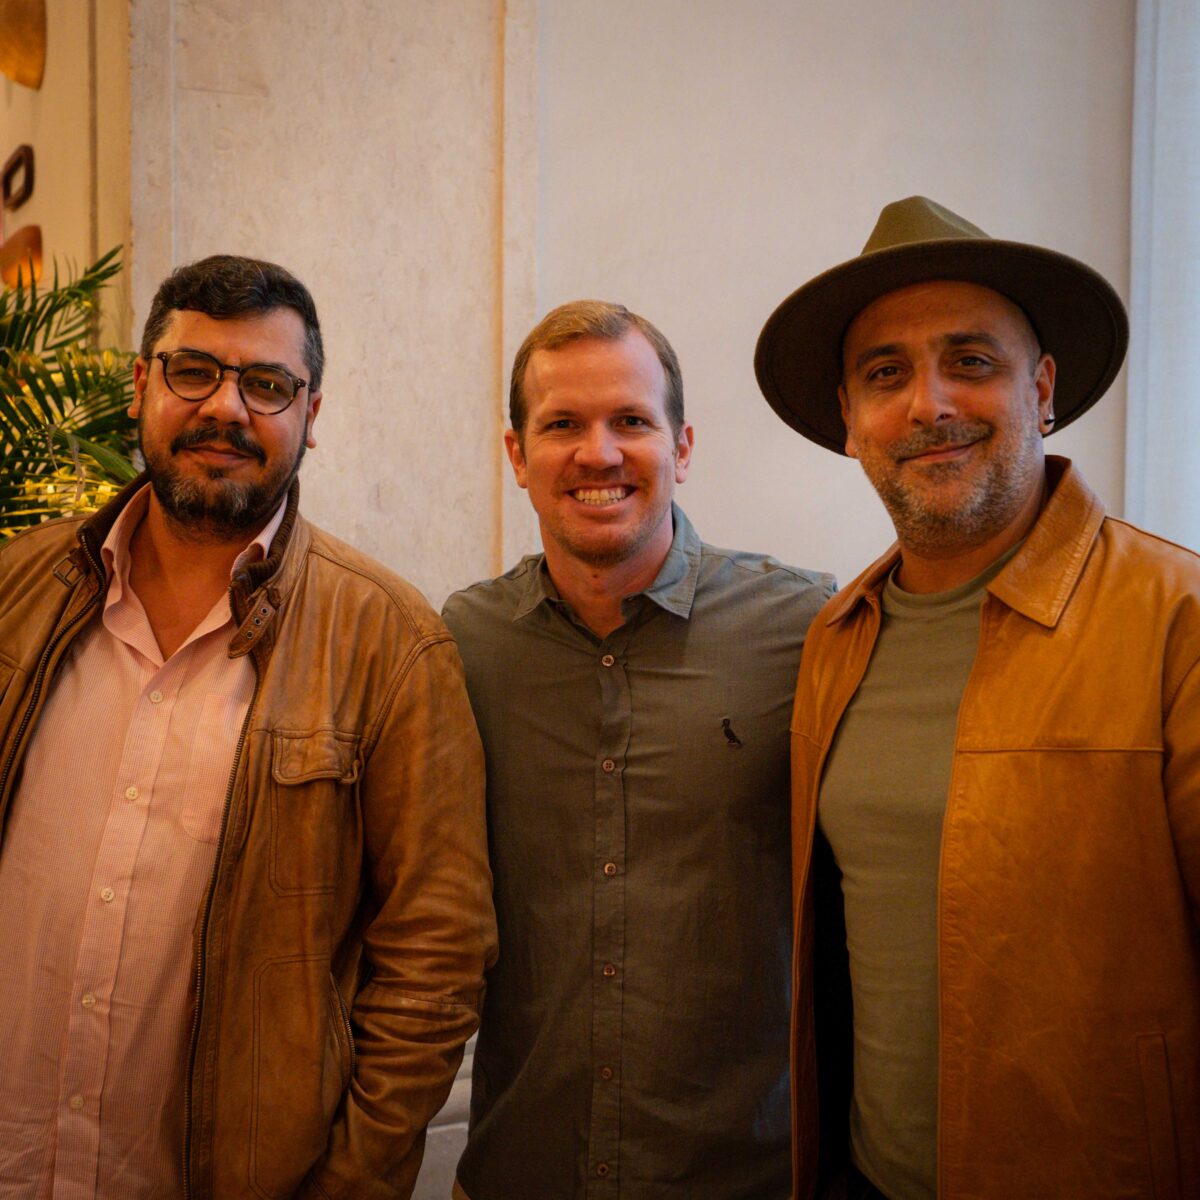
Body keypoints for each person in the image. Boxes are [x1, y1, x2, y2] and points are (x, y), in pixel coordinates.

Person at [0, 255, 497, 1199]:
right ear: (141, 386)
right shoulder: (16, 590)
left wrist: (352, 1183)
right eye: (193, 371)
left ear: (312, 414)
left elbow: (436, 959)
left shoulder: (390, 644)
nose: (225, 407)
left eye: (267, 385)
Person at [755, 196, 1200, 1200]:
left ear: (1041, 391)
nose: (929, 404)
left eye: (970, 360)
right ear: (849, 419)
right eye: (886, 375)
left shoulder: (1176, 622)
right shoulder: (838, 637)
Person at [442, 300, 834, 1199]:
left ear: (681, 447)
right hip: (522, 1174)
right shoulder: (463, 644)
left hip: (743, 1178)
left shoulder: (806, 630)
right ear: (517, 456)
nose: (599, 453)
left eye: (631, 421)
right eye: (562, 425)